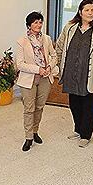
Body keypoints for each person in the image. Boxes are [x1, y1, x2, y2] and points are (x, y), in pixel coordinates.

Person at [55, 0, 93, 148]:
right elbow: (59, 47)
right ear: (80, 11)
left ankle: (86, 134)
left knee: (89, 106)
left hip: (92, 75)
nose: (90, 13)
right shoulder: (70, 27)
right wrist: (57, 66)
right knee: (74, 104)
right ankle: (78, 129)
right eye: (87, 10)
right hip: (71, 73)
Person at [15, 11, 58, 152]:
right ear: (29, 25)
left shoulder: (46, 39)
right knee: (29, 108)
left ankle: (35, 132)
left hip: (46, 77)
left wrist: (49, 66)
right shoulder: (22, 41)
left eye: (40, 22)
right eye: (35, 22)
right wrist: (38, 69)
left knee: (39, 107)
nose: (38, 25)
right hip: (29, 79)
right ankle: (28, 137)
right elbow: (20, 64)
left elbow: (54, 55)